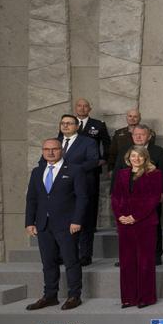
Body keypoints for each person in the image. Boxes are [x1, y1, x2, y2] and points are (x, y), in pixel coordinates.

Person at [24, 139, 88, 311]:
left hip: (67, 225)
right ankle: (50, 296)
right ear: (42, 151)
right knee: (48, 262)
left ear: (61, 150)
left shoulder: (75, 170)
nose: (50, 152)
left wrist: (77, 220)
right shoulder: (37, 172)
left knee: (71, 261)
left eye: (54, 149)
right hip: (43, 225)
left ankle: (74, 296)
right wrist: (29, 222)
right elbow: (31, 199)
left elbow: (82, 198)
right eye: (46, 149)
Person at [111, 147, 162, 308]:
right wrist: (120, 216)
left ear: (145, 158)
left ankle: (146, 298)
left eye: (140, 156)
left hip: (144, 223)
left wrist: (135, 216)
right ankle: (128, 298)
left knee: (145, 261)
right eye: (133, 155)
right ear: (128, 157)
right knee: (127, 262)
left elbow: (153, 199)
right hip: (124, 224)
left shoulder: (155, 174)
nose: (136, 159)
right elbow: (115, 196)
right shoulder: (122, 174)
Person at [112, 124, 163, 266]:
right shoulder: (124, 151)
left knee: (154, 226)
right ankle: (127, 256)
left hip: (150, 199)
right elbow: (117, 174)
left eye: (142, 134)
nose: (138, 137)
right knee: (127, 227)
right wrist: (114, 194)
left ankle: (155, 255)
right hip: (126, 199)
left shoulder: (158, 151)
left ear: (149, 136)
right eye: (135, 134)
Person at [50, 114, 101, 266]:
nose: (65, 126)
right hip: (59, 191)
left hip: (82, 187)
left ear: (77, 126)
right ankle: (62, 254)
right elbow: (43, 162)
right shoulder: (54, 142)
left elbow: (93, 161)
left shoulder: (88, 142)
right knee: (61, 223)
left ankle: (85, 255)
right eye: (63, 123)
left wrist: (69, 170)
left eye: (69, 123)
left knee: (84, 222)